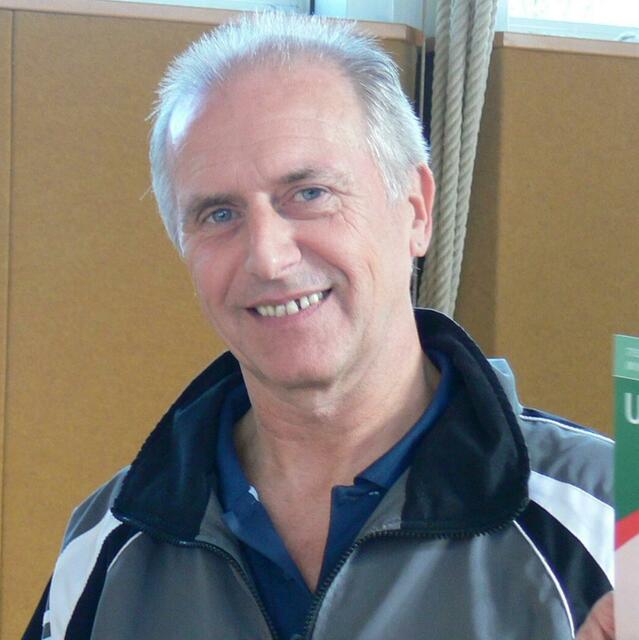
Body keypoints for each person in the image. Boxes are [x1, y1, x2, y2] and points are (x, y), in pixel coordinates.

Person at [25, 12, 615, 640]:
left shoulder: (608, 519)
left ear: (415, 210)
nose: (268, 257)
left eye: (309, 193)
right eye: (219, 214)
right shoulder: (106, 546)